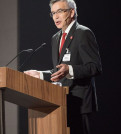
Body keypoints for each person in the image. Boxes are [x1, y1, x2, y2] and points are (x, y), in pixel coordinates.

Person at [24, 0, 102, 134]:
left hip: (81, 105)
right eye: (53, 13)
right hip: (61, 104)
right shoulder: (55, 38)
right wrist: (40, 74)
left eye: (60, 11)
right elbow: (59, 70)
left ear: (72, 12)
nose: (56, 16)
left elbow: (95, 67)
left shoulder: (83, 33)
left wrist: (70, 70)